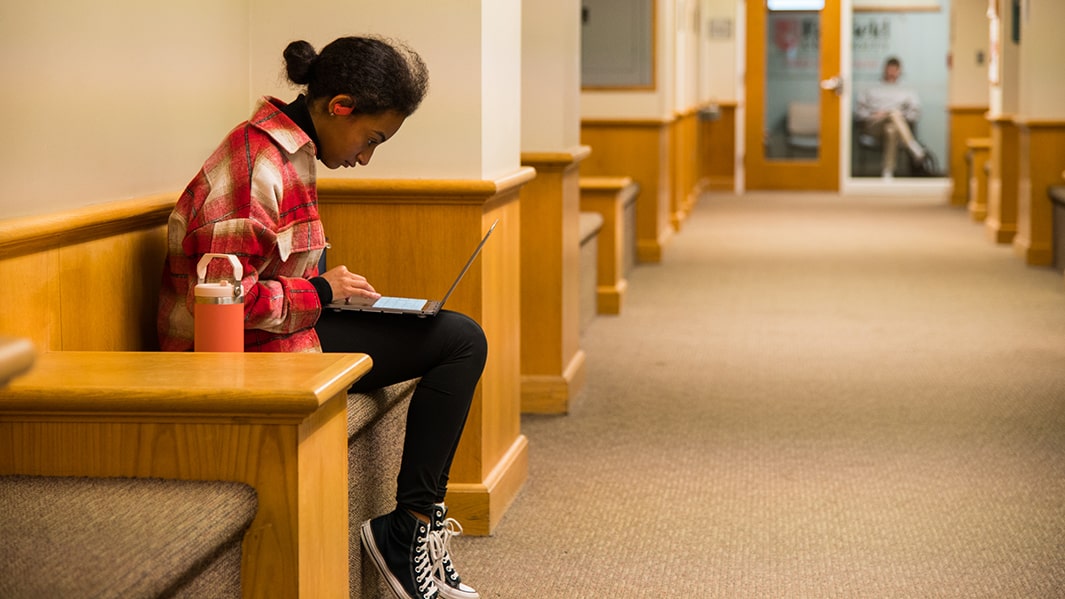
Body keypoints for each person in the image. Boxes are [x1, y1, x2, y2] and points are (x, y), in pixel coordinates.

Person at [157, 36, 485, 599]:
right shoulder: (254, 163)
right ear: (340, 106)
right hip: (233, 358)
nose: (364, 158)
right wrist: (318, 290)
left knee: (455, 336)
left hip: (280, 335)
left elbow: (267, 275)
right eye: (371, 139)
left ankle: (413, 523)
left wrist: (331, 292)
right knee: (458, 341)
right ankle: (408, 528)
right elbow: (223, 308)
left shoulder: (292, 154)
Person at [855, 56, 930, 178]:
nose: (892, 73)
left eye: (895, 70)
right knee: (894, 114)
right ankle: (912, 146)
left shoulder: (907, 90)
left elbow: (915, 112)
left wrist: (900, 116)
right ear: (884, 70)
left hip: (897, 125)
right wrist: (873, 115)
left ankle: (887, 171)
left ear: (900, 71)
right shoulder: (871, 88)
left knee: (891, 129)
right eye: (890, 70)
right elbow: (859, 112)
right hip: (873, 126)